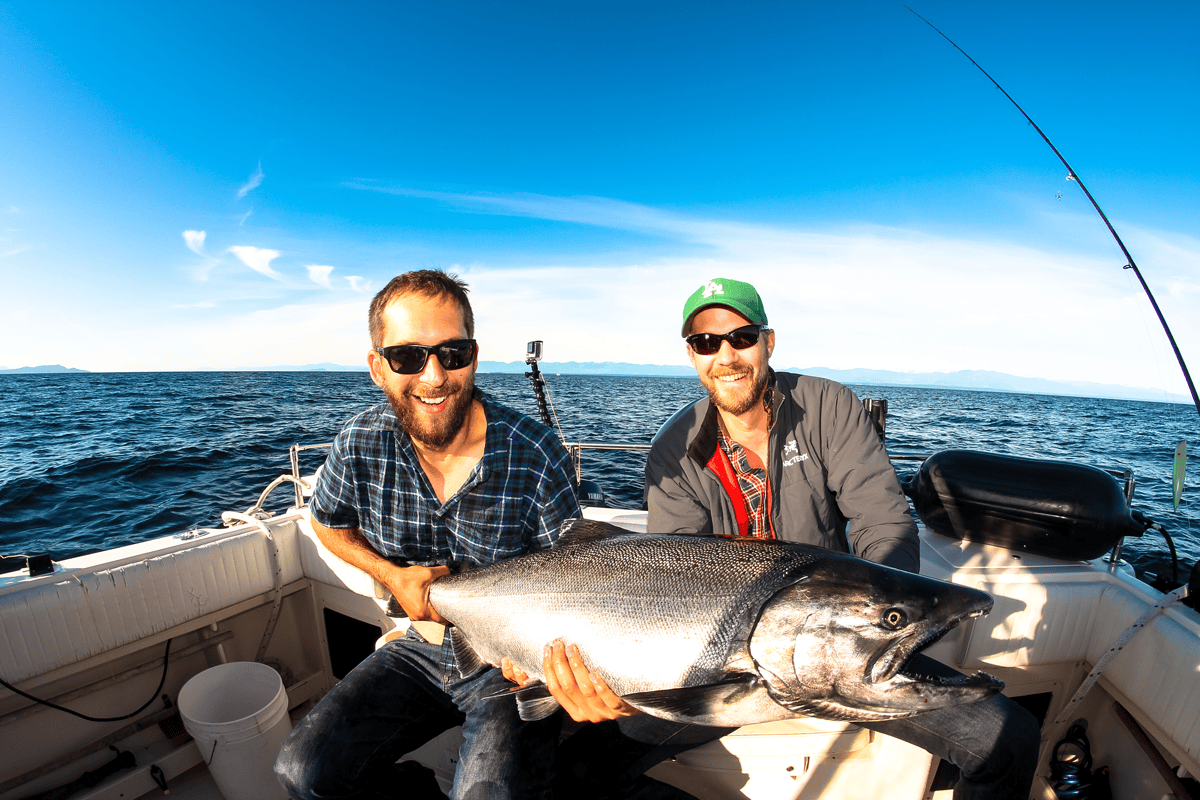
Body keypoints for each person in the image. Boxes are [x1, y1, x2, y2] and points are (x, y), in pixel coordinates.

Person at [509, 277, 1039, 799]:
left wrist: (879, 614)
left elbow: (883, 523)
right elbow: (669, 578)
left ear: (768, 341)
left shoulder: (830, 407)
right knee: (572, 771)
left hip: (836, 649)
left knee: (1006, 739)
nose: (726, 355)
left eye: (741, 337)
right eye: (705, 342)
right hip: (720, 669)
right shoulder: (672, 449)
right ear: (692, 355)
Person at [275, 270, 581, 800]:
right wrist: (390, 574)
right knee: (302, 772)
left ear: (475, 355)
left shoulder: (536, 452)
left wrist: (533, 652)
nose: (434, 376)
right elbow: (327, 520)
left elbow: (579, 575)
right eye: (408, 357)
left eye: (452, 353)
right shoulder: (361, 441)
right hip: (417, 647)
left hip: (506, 666)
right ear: (378, 367)